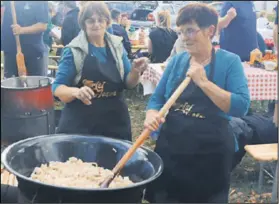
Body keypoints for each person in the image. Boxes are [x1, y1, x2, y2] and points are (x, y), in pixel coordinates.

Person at [143, 3, 250, 203]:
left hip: (210, 155)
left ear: (210, 31)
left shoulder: (230, 62)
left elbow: (241, 106)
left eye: (190, 31)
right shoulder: (177, 61)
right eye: (181, 32)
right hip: (172, 149)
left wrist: (203, 82)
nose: (184, 37)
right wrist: (151, 115)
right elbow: (157, 99)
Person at [52, 2, 148, 141]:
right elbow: (57, 88)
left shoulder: (117, 47)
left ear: (107, 22)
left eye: (100, 20)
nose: (96, 24)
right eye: (90, 20)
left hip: (114, 119)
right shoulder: (73, 50)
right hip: (81, 123)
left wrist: (135, 71)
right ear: (83, 24)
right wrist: (76, 92)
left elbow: (128, 84)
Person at [1, 1, 49, 77]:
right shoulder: (8, 3)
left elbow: (43, 25)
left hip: (33, 51)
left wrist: (21, 30)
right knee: (10, 85)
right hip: (11, 50)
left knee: (36, 84)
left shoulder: (39, 2)